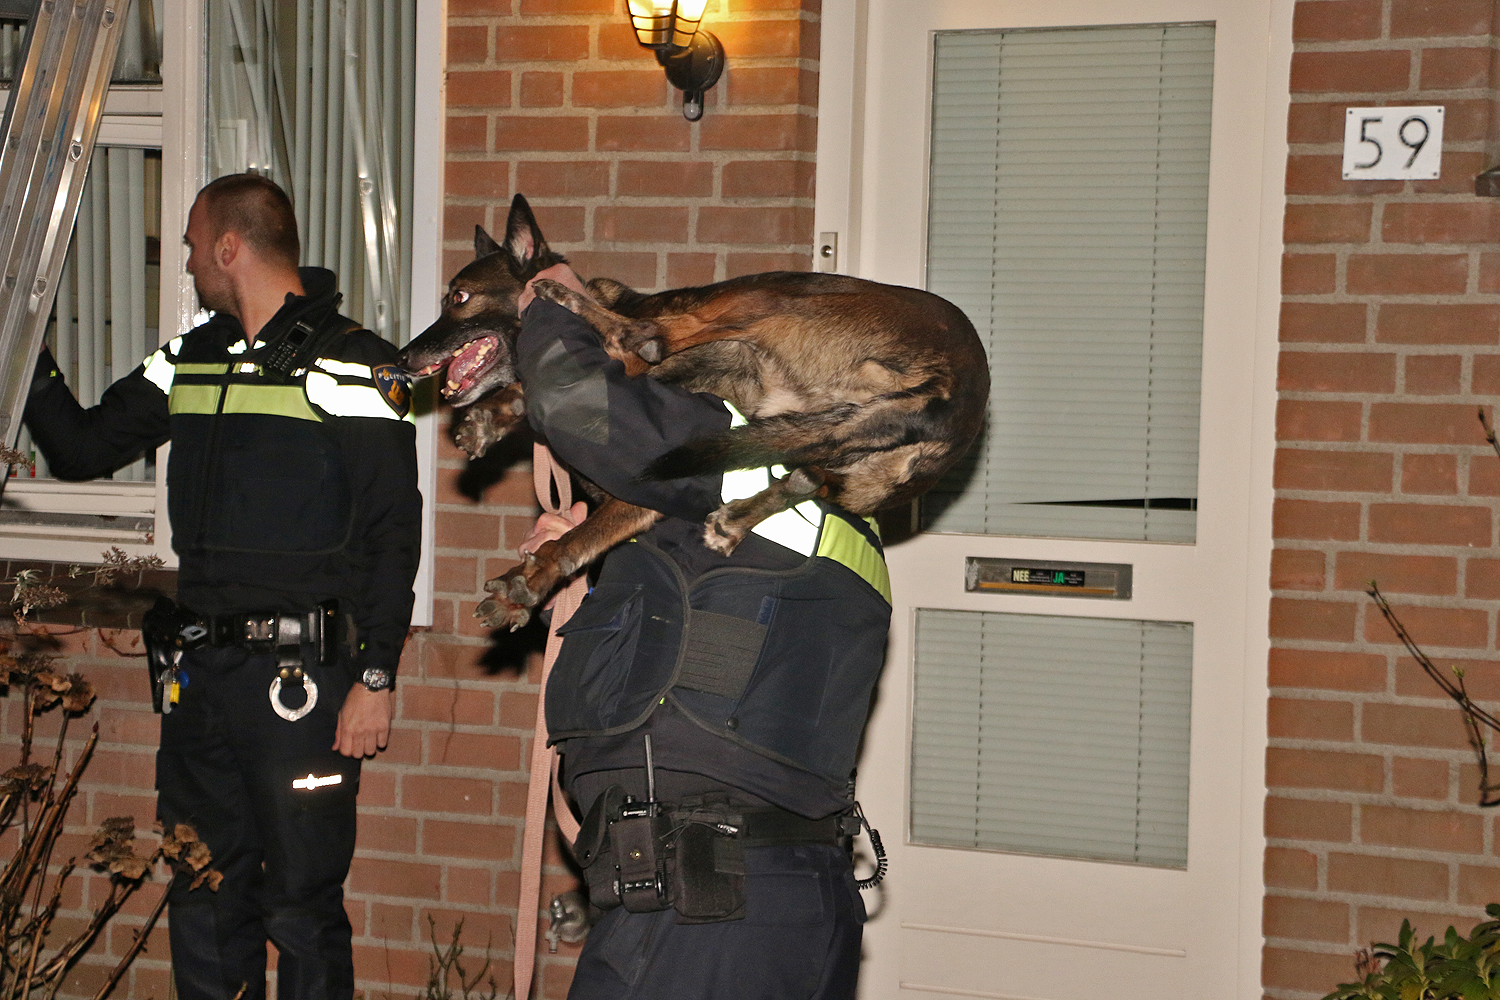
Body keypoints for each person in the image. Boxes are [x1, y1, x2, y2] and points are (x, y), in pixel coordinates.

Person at [23, 173, 421, 1000]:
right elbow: (81, 445)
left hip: (302, 688)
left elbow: (393, 532)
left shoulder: (359, 364)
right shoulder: (191, 358)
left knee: (303, 909)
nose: (190, 258)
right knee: (201, 891)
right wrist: (23, 347)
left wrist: (375, 676)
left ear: (230, 247)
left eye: (195, 242)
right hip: (198, 685)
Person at [512, 264, 890, 1000]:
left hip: (705, 915)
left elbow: (576, 403)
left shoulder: (769, 466)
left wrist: (549, 308)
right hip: (746, 901)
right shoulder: (800, 516)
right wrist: (595, 569)